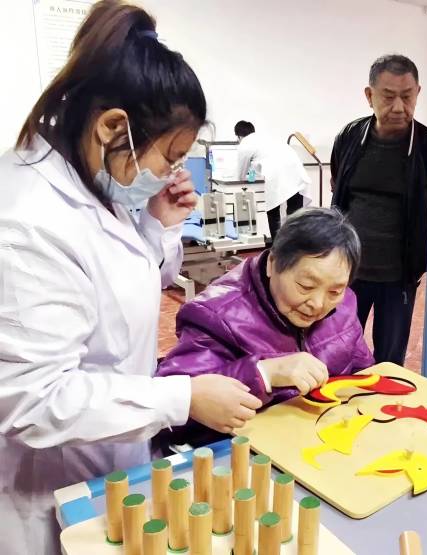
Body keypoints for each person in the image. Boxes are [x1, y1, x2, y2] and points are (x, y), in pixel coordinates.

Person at [0, 3, 261, 552]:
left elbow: (119, 286)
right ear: (113, 127)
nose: (173, 173)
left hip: (110, 456)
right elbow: (33, 400)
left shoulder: (91, 177)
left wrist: (157, 225)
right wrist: (181, 398)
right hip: (46, 481)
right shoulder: (28, 223)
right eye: (171, 156)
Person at [158, 208, 374, 412]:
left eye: (335, 291)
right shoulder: (216, 315)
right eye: (306, 286)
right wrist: (265, 373)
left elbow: (364, 373)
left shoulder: (344, 304)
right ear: (272, 263)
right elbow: (174, 403)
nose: (318, 304)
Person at [330, 54, 427, 365]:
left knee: (390, 360)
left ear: (418, 93)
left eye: (408, 96)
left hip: (399, 277)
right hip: (348, 272)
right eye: (388, 97)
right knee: (339, 351)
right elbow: (339, 190)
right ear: (369, 95)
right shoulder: (350, 137)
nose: (399, 107)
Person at [235, 120, 311, 242]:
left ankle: (276, 246)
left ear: (238, 136)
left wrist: (245, 178)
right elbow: (255, 166)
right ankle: (296, 245)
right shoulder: (265, 137)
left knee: (272, 210)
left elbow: (240, 175)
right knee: (295, 212)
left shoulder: (244, 144)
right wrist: (251, 176)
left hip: (277, 172)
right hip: (295, 168)